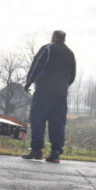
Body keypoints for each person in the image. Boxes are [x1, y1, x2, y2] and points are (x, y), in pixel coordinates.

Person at [22, 30, 76, 163]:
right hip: (61, 95)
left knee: (38, 120)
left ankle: (37, 151)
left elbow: (37, 65)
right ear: (64, 39)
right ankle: (55, 153)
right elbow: (73, 75)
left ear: (54, 37)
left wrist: (29, 82)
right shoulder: (70, 53)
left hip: (44, 92)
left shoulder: (48, 48)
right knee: (58, 123)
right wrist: (62, 86)